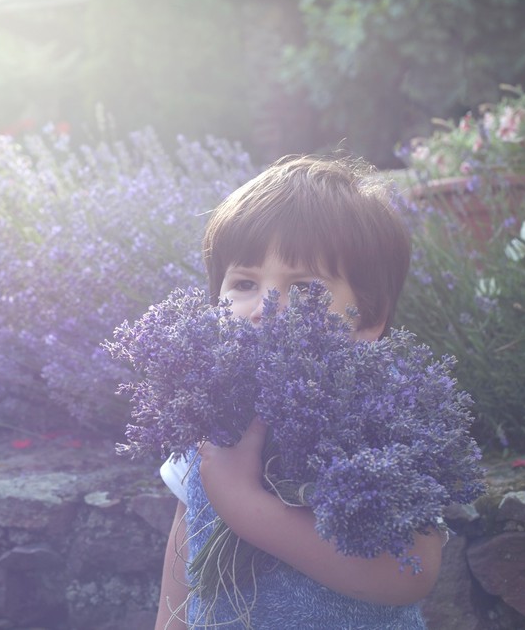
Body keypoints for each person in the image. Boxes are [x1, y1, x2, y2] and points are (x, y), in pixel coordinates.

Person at [154, 156, 445, 629]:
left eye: (305, 288)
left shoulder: (382, 421)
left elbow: (409, 574)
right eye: (245, 283)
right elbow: (183, 557)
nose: (265, 308)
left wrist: (244, 504)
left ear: (368, 318)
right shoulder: (210, 414)